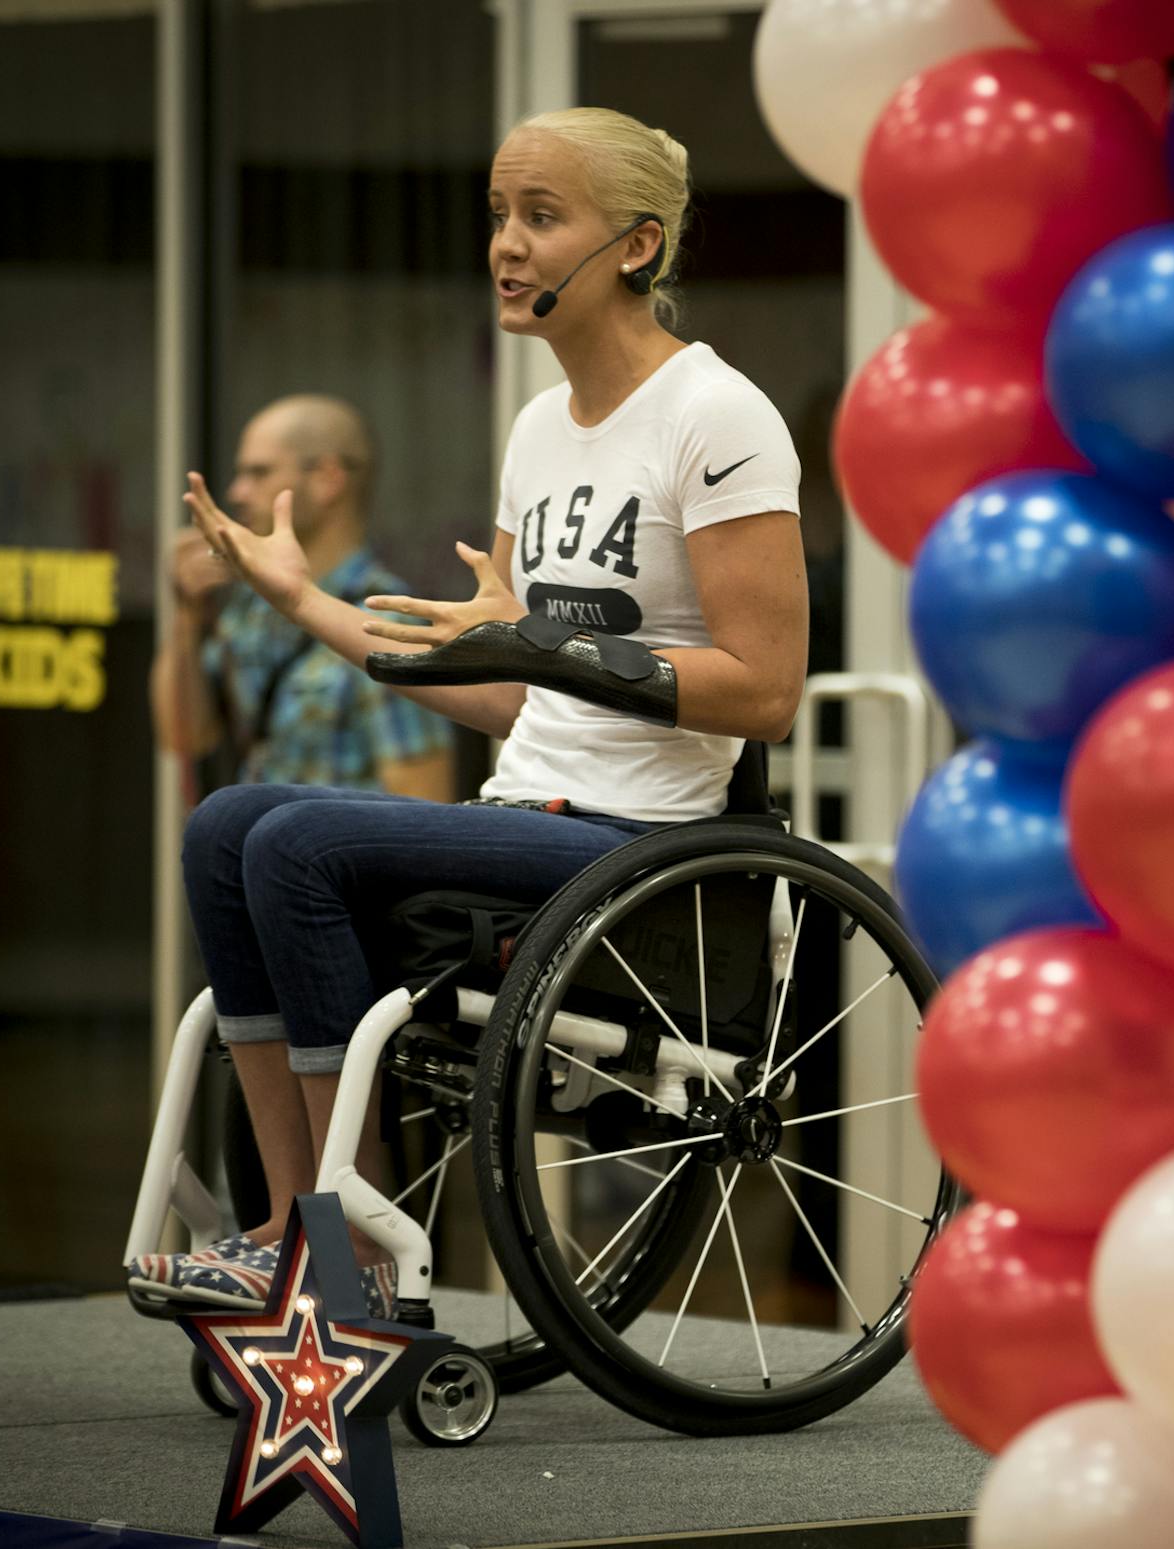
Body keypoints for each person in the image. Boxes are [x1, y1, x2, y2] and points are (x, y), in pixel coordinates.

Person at [126, 107, 808, 1317]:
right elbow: (492, 680)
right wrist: (300, 600)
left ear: (638, 247)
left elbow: (765, 690)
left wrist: (543, 636)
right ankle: (296, 1233)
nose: (505, 243)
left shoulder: (718, 417)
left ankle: (359, 1250)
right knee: (224, 824)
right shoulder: (538, 426)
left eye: (542, 218)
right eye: (500, 214)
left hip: (638, 842)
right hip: (527, 807)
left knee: (296, 842)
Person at [149, 394, 456, 800]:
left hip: (339, 860)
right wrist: (187, 618)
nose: (237, 492)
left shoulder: (389, 619)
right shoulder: (251, 608)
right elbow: (184, 737)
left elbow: (424, 800)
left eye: (259, 473)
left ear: (328, 479)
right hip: (261, 853)